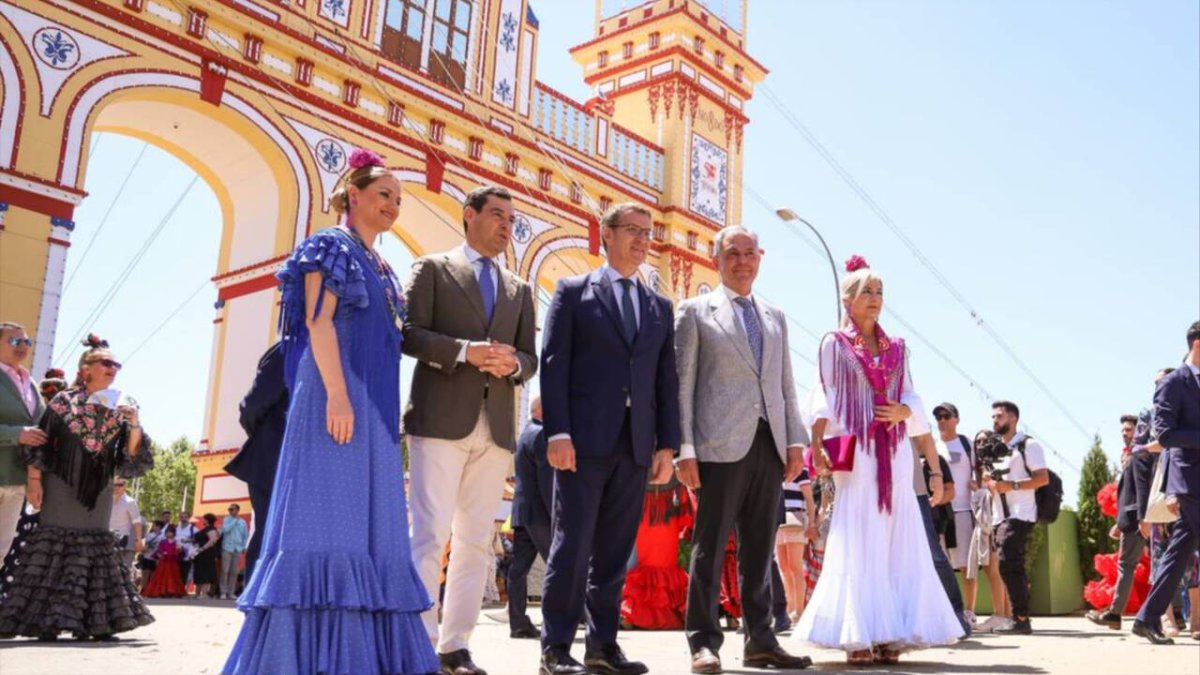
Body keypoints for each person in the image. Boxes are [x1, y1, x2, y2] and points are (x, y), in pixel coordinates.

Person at [222, 150, 438, 674]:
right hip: (336, 398)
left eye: (399, 199)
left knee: (372, 528)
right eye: (384, 194)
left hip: (379, 411)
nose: (393, 205)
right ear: (354, 194)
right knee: (329, 523)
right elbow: (319, 324)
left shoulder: (384, 266)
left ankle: (369, 653)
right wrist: (338, 397)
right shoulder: (328, 245)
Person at [795, 256, 962, 666]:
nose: (874, 299)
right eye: (866, 291)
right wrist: (816, 444)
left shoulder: (898, 348)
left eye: (879, 292)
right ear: (847, 300)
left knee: (895, 536)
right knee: (859, 533)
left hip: (895, 451)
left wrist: (910, 421)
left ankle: (893, 632)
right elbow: (825, 393)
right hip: (857, 451)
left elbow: (912, 397)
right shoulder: (834, 342)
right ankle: (857, 636)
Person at [538, 202, 680, 675]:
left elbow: (666, 381)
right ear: (608, 234)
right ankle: (556, 647)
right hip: (581, 443)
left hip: (636, 446)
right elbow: (554, 367)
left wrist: (667, 445)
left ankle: (603, 646)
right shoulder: (573, 293)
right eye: (634, 231)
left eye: (649, 232)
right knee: (573, 545)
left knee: (617, 550)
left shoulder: (659, 307)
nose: (643, 240)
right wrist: (557, 431)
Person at [402, 184, 538, 675]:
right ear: (469, 216)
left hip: (496, 428)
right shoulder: (433, 268)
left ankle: (455, 646)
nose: (506, 226)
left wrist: (513, 364)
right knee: (430, 535)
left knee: (476, 540)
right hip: (440, 419)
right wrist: (466, 352)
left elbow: (530, 357)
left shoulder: (519, 289)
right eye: (497, 215)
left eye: (512, 219)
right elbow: (410, 334)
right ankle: (418, 643)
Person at [673, 226, 812, 674]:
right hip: (716, 446)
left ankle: (761, 640)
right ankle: (703, 641)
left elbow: (786, 385)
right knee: (709, 547)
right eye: (733, 254)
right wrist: (684, 449)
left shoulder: (775, 316)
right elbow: (683, 385)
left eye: (750, 253)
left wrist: (795, 442)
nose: (742, 261)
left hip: (768, 445)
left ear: (761, 257)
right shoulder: (695, 312)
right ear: (717, 259)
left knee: (759, 549)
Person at [0, 334, 154, 641]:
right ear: (86, 369)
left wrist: (134, 424)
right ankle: (46, 621)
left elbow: (131, 456)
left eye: (116, 364)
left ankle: (92, 622)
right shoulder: (62, 402)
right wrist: (34, 482)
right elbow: (39, 445)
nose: (113, 368)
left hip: (100, 490)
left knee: (96, 549)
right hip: (60, 486)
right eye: (106, 363)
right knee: (55, 547)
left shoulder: (122, 405)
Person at [1132, 321, 1200, 645]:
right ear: (1197, 344)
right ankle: (1148, 618)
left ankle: (1146, 618)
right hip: (1191, 480)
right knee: (1179, 551)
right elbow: (1166, 434)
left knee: (1179, 552)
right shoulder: (1174, 383)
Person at [982, 400, 1051, 635]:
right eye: (993, 417)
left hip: (1022, 513)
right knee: (1010, 564)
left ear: (1013, 419)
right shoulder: (996, 448)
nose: (994, 420)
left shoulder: (1028, 445)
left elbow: (1042, 478)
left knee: (1008, 561)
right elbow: (992, 481)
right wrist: (990, 482)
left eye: (999, 416)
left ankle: (1020, 618)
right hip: (999, 515)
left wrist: (1008, 485)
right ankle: (1020, 618)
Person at [1087, 408, 1158, 630]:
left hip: (1140, 517)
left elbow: (1140, 488)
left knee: (1129, 565)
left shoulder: (1141, 453)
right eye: (1123, 430)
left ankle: (1116, 613)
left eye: (1129, 430)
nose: (1124, 433)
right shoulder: (1131, 454)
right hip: (1137, 516)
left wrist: (1139, 517)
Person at [223, 341, 287, 583]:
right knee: (271, 531)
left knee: (271, 531)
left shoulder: (294, 348)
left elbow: (251, 407)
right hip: (273, 457)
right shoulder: (289, 349)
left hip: (277, 455)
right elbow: (252, 407)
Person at [934, 403, 986, 626]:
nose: (942, 421)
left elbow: (980, 469)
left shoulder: (966, 444)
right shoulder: (932, 445)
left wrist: (980, 486)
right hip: (939, 512)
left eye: (946, 416)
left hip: (964, 510)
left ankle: (969, 611)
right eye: (938, 417)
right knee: (941, 565)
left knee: (966, 565)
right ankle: (945, 612)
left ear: (957, 419)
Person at [508, 395, 554, 639]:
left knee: (519, 569)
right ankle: (566, 617)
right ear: (543, 409)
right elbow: (547, 482)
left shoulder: (525, 433)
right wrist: (556, 512)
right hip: (540, 513)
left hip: (522, 512)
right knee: (558, 564)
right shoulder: (541, 435)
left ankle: (518, 621)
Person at [620, 477, 692, 630]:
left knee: (663, 555)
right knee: (642, 554)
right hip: (642, 489)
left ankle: (632, 615)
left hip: (669, 493)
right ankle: (632, 614)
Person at [0, 322, 45, 563]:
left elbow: (39, 434)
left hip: (17, 482)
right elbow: (25, 433)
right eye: (15, 341)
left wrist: (33, 480)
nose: (23, 347)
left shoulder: (32, 384)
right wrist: (16, 434)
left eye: (26, 342)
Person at [777, 473, 818, 628]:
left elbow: (809, 499)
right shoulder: (777, 470)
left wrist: (812, 524)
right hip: (778, 520)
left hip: (796, 519)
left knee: (795, 567)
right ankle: (790, 607)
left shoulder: (801, 472)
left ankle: (799, 611)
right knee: (783, 567)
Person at [110, 478, 144, 582]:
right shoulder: (106, 500)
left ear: (125, 486)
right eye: (114, 484)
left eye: (120, 485)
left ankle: (122, 592)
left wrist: (139, 540)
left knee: (119, 567)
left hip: (121, 538)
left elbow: (137, 523)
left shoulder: (130, 502)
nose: (116, 487)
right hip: (105, 536)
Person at [143, 526, 187, 598]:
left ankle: (173, 591)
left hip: (172, 562)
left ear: (173, 533)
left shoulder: (177, 542)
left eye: (170, 532)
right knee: (160, 576)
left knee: (174, 576)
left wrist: (179, 549)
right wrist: (159, 555)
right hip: (163, 562)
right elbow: (159, 550)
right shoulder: (163, 541)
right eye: (167, 532)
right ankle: (160, 591)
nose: (168, 533)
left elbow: (181, 552)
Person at [219, 503, 248, 600]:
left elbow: (245, 535)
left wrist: (244, 547)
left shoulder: (243, 522)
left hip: (238, 549)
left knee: (234, 572)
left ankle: (231, 592)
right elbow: (226, 530)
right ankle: (223, 592)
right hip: (227, 548)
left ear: (238, 510)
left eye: (233, 509)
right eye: (229, 509)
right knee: (225, 571)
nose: (231, 511)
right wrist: (235, 520)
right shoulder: (226, 520)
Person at [191, 513, 220, 598]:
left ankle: (204, 593)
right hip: (200, 554)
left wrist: (203, 548)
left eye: (204, 519)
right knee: (199, 572)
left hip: (207, 553)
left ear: (207, 520)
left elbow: (212, 540)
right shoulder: (205, 529)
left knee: (206, 572)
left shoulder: (211, 529)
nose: (202, 520)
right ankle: (197, 593)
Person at [175, 511, 197, 589]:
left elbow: (197, 541)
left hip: (187, 554)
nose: (183, 519)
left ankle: (182, 588)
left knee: (185, 572)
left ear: (188, 518)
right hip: (176, 553)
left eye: (185, 517)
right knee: (176, 572)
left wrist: (188, 541)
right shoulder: (176, 528)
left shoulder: (193, 529)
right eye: (181, 517)